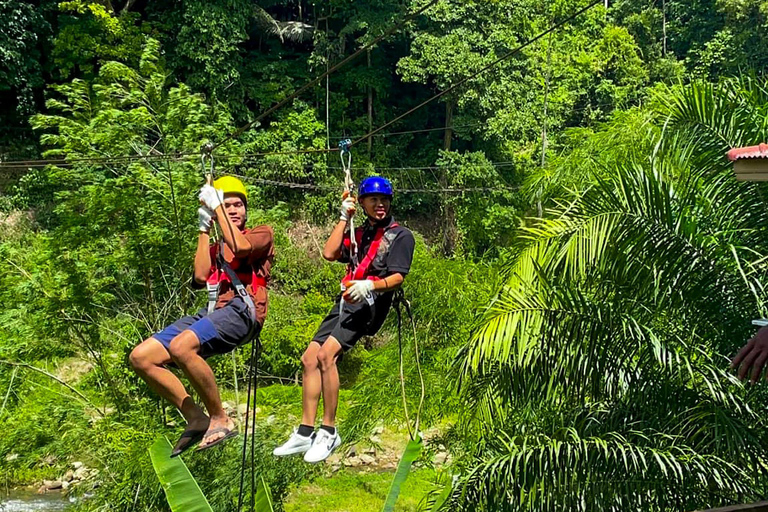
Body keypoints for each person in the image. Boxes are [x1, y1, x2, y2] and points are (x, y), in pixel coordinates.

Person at [273, 176, 415, 463]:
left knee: (327, 356)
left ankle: (329, 430)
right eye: (373, 200)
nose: (380, 205)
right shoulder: (359, 233)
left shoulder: (401, 236)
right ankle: (304, 431)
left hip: (369, 304)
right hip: (347, 301)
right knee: (309, 358)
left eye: (384, 200)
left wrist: (370, 286)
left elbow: (398, 276)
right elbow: (329, 253)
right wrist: (343, 217)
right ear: (362, 203)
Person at [129, 176, 274, 457]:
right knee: (141, 357)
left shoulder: (261, 234)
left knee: (181, 346)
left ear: (246, 210)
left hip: (244, 311)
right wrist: (204, 228)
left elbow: (242, 248)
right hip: (215, 312)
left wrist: (217, 206)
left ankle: (220, 417)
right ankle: (196, 417)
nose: (233, 210)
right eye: (228, 205)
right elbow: (200, 276)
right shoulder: (217, 248)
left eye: (238, 205)